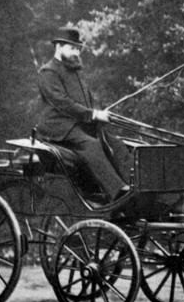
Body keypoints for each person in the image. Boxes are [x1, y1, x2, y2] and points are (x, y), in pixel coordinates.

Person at [35, 27, 131, 202]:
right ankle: (118, 192)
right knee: (92, 145)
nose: (76, 52)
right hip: (58, 128)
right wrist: (93, 115)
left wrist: (99, 115)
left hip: (80, 124)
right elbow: (62, 103)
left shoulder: (75, 71)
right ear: (59, 47)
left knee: (117, 145)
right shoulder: (48, 72)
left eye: (78, 49)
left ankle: (133, 186)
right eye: (72, 48)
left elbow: (86, 99)